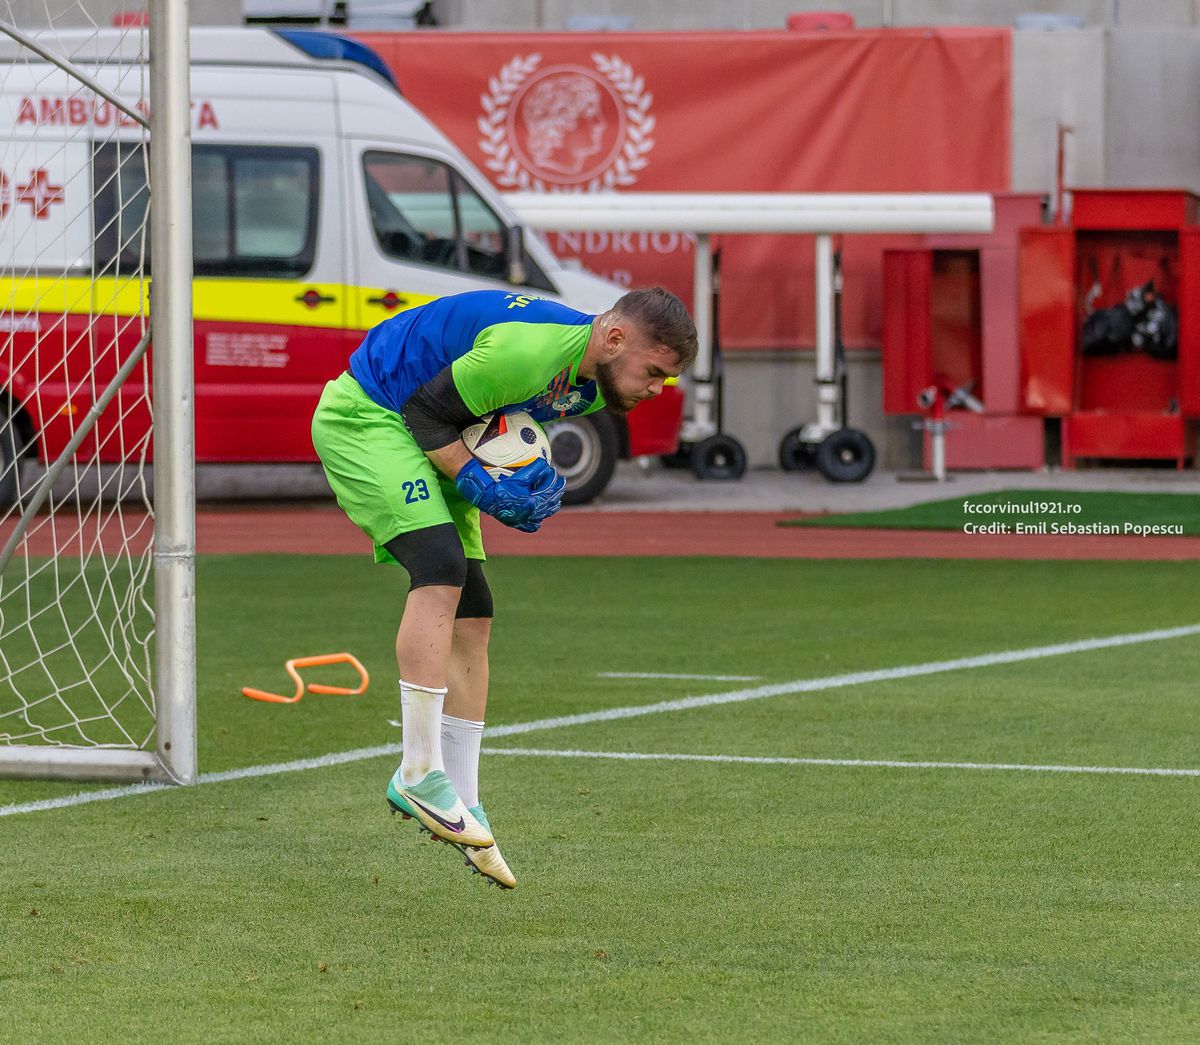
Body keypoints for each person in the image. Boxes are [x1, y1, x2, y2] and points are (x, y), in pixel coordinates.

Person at [311, 286, 697, 889]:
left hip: (428, 428)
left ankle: (462, 796)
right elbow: (424, 410)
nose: (655, 389)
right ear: (614, 338)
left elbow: (488, 419)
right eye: (653, 372)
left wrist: (507, 469)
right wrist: (478, 480)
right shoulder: (529, 353)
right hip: (371, 414)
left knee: (475, 609)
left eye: (666, 382)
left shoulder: (591, 383)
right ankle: (416, 771)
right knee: (438, 566)